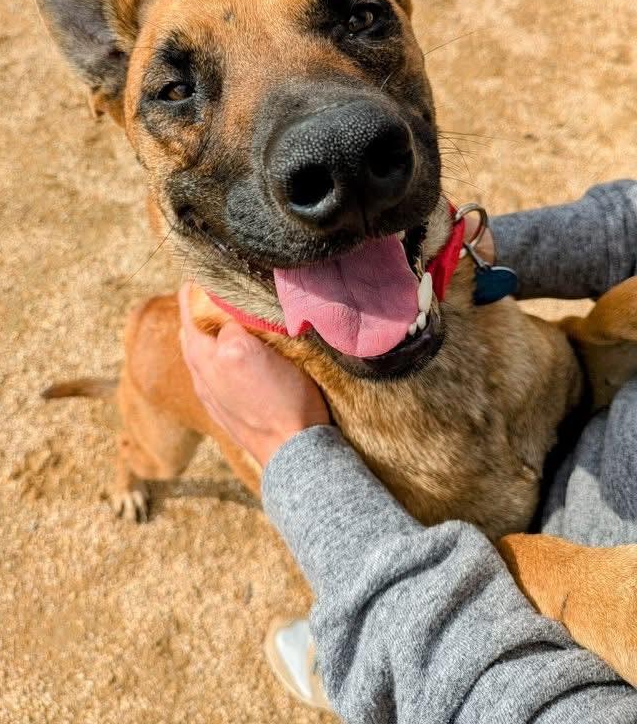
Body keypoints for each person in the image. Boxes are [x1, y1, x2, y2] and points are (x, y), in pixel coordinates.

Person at [178, 181, 637, 723]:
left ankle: (383, 652)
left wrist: (294, 452)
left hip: (522, 622)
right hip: (578, 417)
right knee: (156, 460)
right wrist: (478, 248)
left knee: (395, 648)